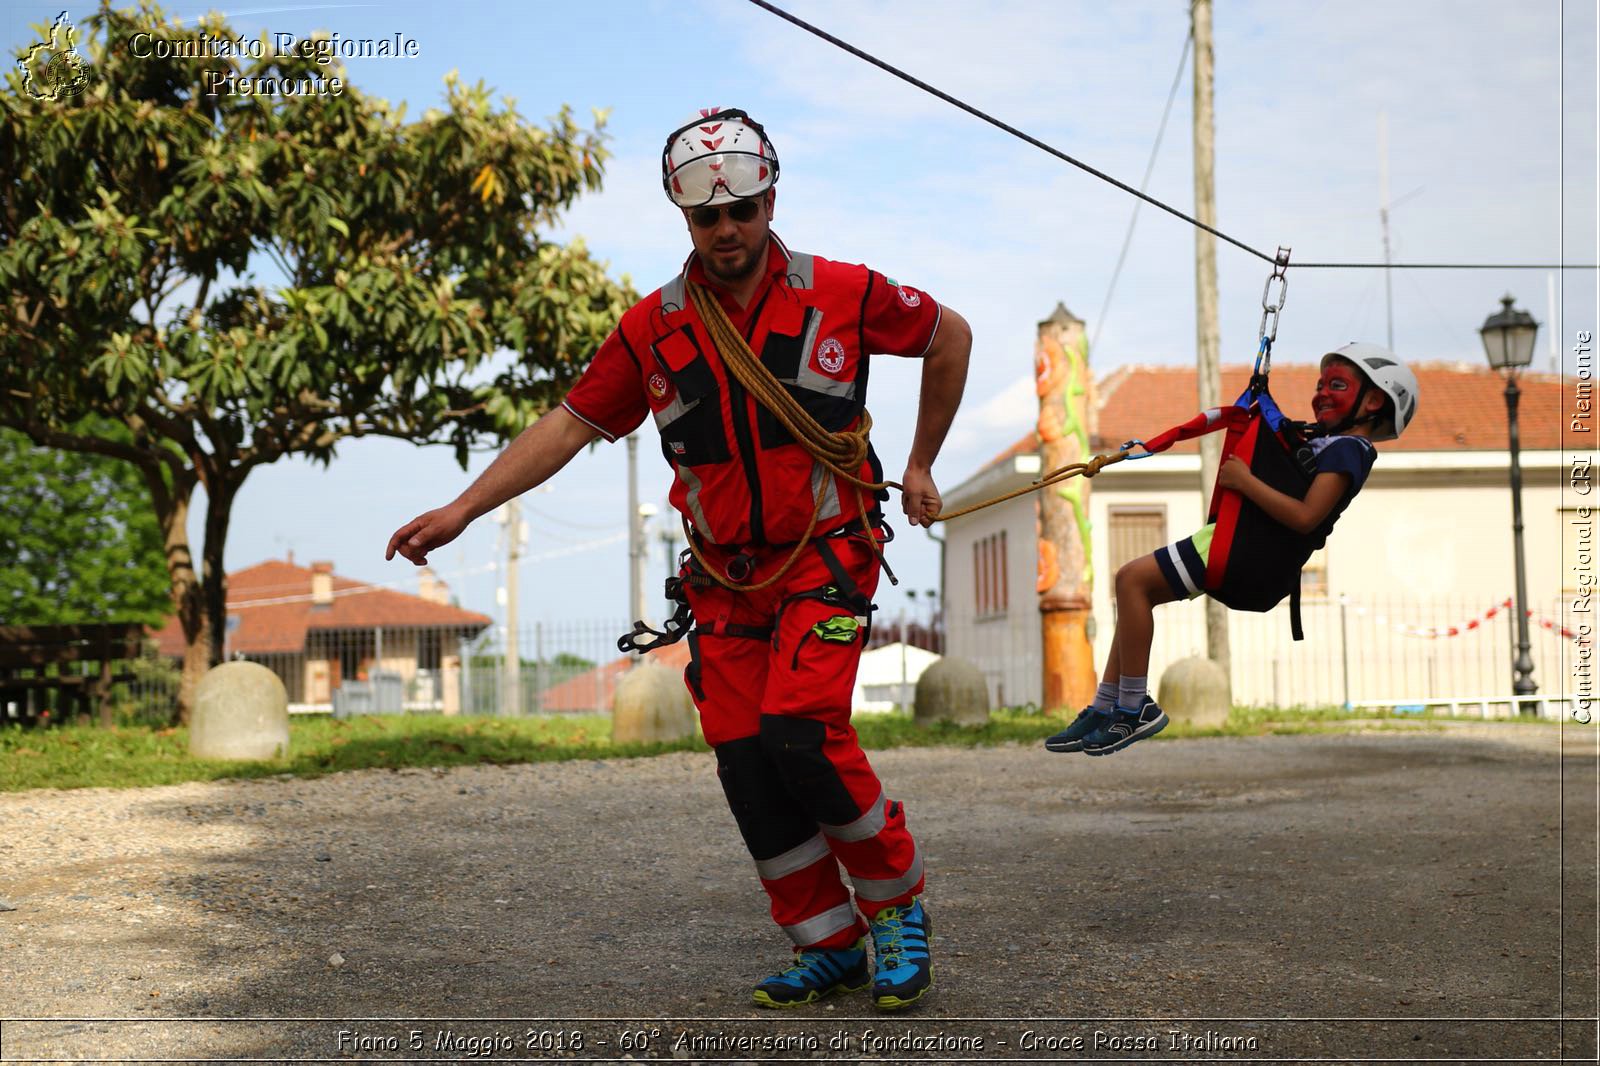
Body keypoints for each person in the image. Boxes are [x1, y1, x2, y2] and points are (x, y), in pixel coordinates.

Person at [386, 107, 971, 1012]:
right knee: (743, 754)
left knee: (801, 732)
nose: (726, 231)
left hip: (828, 555)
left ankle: (896, 910)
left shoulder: (843, 292)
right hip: (725, 582)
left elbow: (949, 336)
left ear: (770, 200)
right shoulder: (652, 327)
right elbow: (569, 424)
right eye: (707, 218)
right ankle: (827, 941)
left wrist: (923, 461)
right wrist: (465, 509)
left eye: (741, 211)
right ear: (683, 218)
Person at [1045, 343, 1418, 756]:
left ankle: (1132, 707)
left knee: (1131, 582)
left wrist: (1244, 481)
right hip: (1236, 539)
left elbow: (1306, 517)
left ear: (1373, 400)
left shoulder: (1351, 451)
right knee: (1134, 589)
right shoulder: (1327, 442)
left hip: (1242, 548)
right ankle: (1106, 706)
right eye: (1320, 384)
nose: (1321, 393)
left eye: (1337, 385)